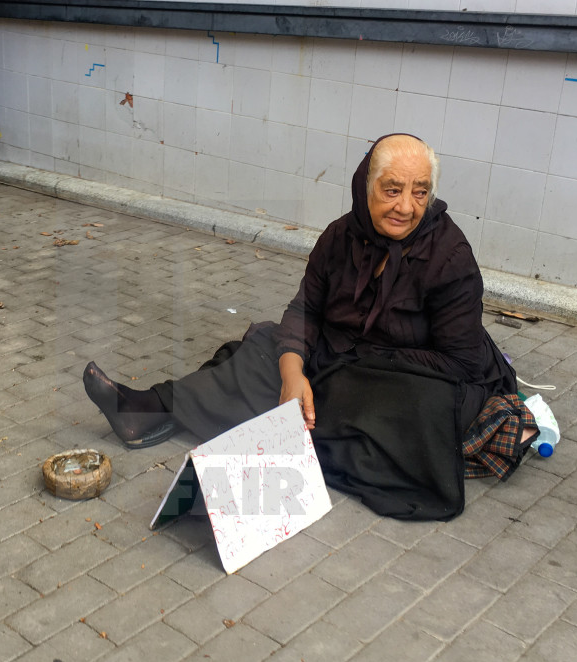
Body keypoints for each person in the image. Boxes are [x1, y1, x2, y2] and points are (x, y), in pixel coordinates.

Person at [84, 134, 532, 520]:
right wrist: (294, 372)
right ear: (365, 186)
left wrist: (356, 362)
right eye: (392, 189)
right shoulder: (340, 237)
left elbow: (461, 361)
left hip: (417, 375)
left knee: (391, 405)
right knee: (265, 350)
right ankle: (146, 410)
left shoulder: (449, 256)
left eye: (420, 192)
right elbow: (305, 309)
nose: (406, 206)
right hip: (343, 354)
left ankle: (295, 438)